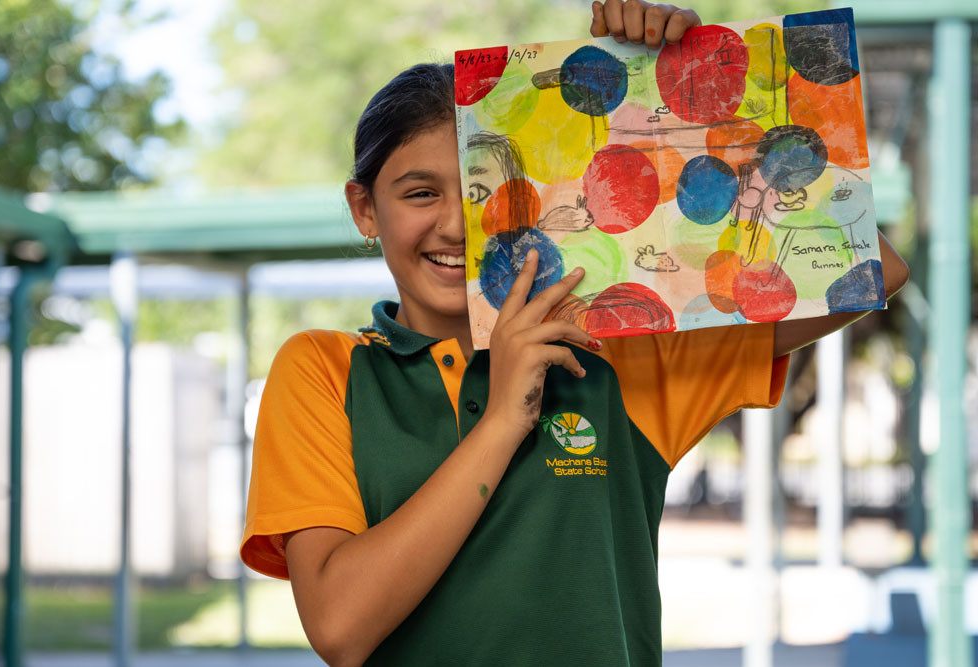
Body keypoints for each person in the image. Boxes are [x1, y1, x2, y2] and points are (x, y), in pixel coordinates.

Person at [240, 2, 910, 665]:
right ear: (366, 209)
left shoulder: (624, 344)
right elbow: (339, 626)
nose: (455, 226)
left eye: (484, 189)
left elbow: (872, 263)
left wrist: (668, 85)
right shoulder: (325, 370)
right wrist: (503, 417)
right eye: (420, 193)